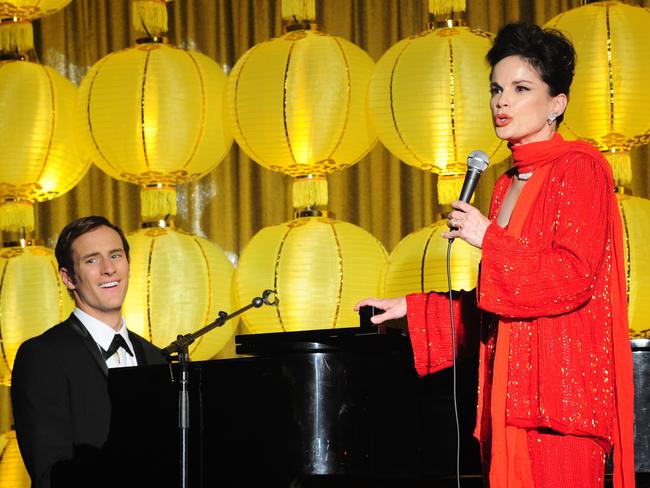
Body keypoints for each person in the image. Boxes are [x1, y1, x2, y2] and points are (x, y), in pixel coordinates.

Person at [356, 23, 635, 488]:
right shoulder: (505, 181)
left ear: (557, 104)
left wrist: (489, 238)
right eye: (496, 89)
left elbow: (572, 276)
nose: (501, 102)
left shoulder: (581, 168)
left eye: (520, 89)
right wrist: (416, 309)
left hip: (559, 402)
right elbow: (503, 300)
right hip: (507, 394)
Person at [11, 216, 166, 488]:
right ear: (68, 278)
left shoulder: (155, 357)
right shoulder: (42, 356)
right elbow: (49, 474)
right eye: (92, 260)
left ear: (129, 265)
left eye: (115, 256)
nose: (108, 269)